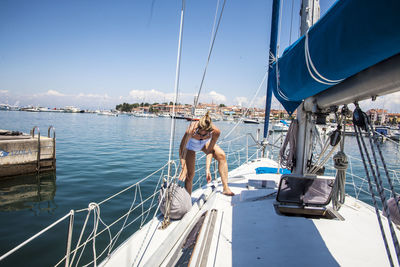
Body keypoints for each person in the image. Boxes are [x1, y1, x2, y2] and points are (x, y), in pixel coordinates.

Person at [179, 112, 234, 196]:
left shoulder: (216, 132)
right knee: (189, 175)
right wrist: (183, 167)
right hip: (190, 147)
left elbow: (209, 151)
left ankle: (225, 188)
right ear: (197, 128)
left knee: (222, 155)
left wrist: (207, 169)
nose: (201, 136)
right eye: (199, 133)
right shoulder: (190, 130)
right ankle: (188, 199)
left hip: (204, 145)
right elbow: (182, 148)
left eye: (204, 134)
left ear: (210, 130)